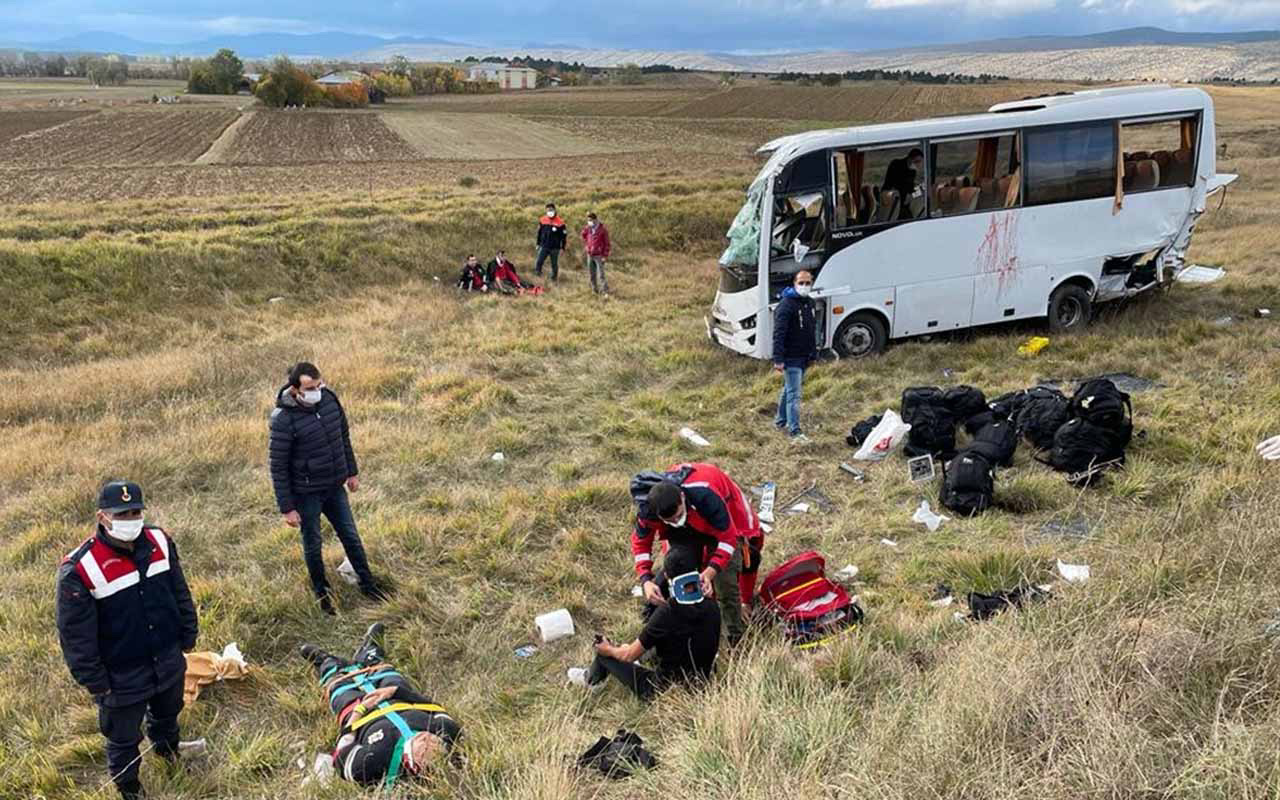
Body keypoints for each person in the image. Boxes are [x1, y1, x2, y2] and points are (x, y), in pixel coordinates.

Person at [56, 481, 199, 800]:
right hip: (120, 674)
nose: (130, 519)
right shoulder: (80, 569)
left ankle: (168, 753)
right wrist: (95, 682)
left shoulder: (161, 541)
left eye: (135, 512)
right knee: (122, 739)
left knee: (167, 714)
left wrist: (189, 633)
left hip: (167, 657)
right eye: (121, 514)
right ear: (102, 517)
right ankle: (130, 789)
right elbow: (75, 636)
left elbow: (179, 590)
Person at [269, 362, 387, 614]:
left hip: (335, 487)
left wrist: (351, 472)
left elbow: (342, 437)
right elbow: (278, 466)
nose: (317, 391)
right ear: (295, 389)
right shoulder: (283, 419)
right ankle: (323, 596)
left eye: (319, 385)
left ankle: (368, 585)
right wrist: (287, 508)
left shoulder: (330, 400)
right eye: (310, 388)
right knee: (313, 544)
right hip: (307, 493)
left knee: (351, 536)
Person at [300, 623, 461, 787]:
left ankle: (325, 662)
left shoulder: (370, 764)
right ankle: (370, 651)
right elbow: (434, 707)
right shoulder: (448, 731)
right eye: (437, 744)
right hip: (396, 697)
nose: (428, 740)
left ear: (413, 765)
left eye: (425, 751)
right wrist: (396, 691)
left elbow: (341, 755)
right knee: (387, 673)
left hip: (360, 713)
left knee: (339, 689)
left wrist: (358, 712)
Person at [631, 463, 764, 645]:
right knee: (678, 562)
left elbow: (728, 540)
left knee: (725, 581)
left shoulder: (707, 497)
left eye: (678, 516)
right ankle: (685, 617)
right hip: (691, 519)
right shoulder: (649, 511)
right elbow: (641, 544)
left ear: (682, 498)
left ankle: (735, 637)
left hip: (722, 516)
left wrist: (710, 572)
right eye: (670, 520)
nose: (677, 521)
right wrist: (646, 580)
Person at [568, 545, 720, 699]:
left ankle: (591, 681)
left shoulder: (667, 612)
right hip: (701, 686)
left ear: (666, 576)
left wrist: (609, 649)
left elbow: (628, 656)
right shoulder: (713, 606)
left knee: (606, 655)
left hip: (664, 692)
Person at [773, 270, 819, 444]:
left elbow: (811, 331)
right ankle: (795, 431)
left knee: (788, 389)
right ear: (794, 283)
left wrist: (813, 354)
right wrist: (778, 358)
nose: (805, 286)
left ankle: (780, 420)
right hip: (791, 357)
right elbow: (779, 333)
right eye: (801, 283)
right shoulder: (786, 305)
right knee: (795, 394)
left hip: (804, 357)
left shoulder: (810, 303)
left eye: (808, 283)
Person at [883, 147, 925, 219]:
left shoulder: (912, 171)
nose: (918, 164)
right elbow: (893, 184)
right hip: (894, 199)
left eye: (919, 162)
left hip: (904, 200)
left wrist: (919, 189)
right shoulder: (896, 164)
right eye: (917, 161)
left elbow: (910, 188)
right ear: (910, 159)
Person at [580, 212, 612, 294]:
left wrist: (605, 256)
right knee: (591, 274)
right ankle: (594, 290)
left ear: (595, 220)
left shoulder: (602, 230)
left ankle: (605, 291)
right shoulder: (588, 229)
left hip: (599, 255)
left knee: (601, 274)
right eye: (588, 220)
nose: (589, 221)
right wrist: (586, 229)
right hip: (590, 254)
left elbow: (607, 244)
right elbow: (583, 235)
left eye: (590, 220)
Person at [535, 203, 567, 281]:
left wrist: (563, 247)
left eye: (551, 210)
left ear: (554, 210)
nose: (550, 211)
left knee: (554, 264)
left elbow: (563, 236)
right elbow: (539, 233)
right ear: (546, 211)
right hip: (544, 246)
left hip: (555, 248)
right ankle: (538, 276)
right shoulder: (542, 220)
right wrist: (538, 244)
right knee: (539, 261)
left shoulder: (560, 222)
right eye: (548, 210)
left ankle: (554, 279)